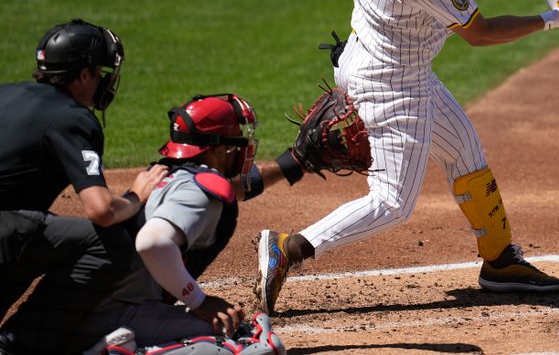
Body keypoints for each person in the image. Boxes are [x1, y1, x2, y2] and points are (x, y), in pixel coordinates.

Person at [256, 0, 559, 314]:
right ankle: (288, 248)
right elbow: (481, 33)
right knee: (392, 202)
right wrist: (548, 20)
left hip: (378, 59)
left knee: (465, 153)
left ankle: (499, 262)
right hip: (393, 85)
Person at [76, 91, 338, 353]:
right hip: (114, 315)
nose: (241, 145)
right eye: (236, 139)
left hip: (87, 304)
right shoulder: (199, 191)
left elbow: (231, 188)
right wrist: (198, 300)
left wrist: (295, 162)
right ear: (218, 148)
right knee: (254, 346)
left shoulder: (161, 175)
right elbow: (152, 242)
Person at [0, 19, 168, 353]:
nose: (105, 81)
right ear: (84, 75)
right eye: (100, 71)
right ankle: (17, 345)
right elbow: (101, 210)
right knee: (110, 242)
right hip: (6, 231)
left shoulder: (6, 93)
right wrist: (136, 196)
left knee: (31, 228)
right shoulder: (72, 116)